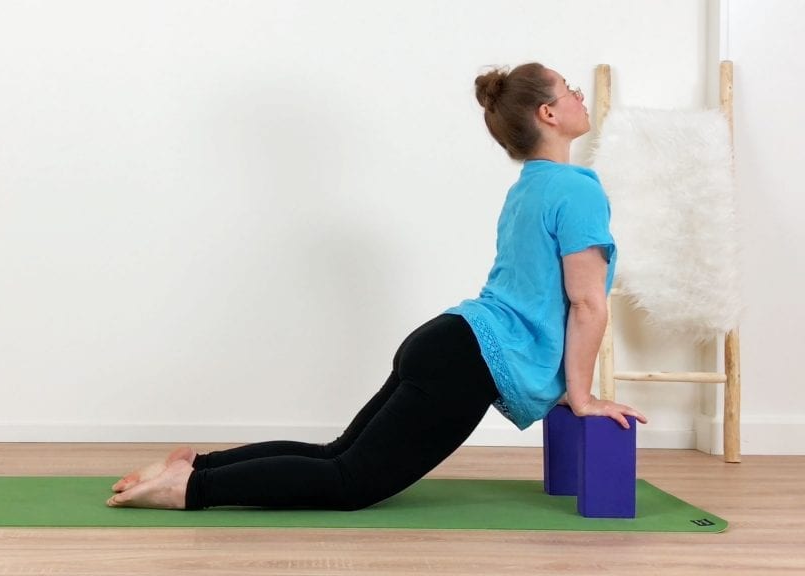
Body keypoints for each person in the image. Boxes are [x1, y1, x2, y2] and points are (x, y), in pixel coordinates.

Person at [107, 62, 648, 511]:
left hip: (450, 342)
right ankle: (190, 489)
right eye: (569, 89)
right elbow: (585, 302)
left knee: (337, 454)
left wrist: (567, 387)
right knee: (350, 482)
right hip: (469, 362)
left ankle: (194, 466)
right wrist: (582, 397)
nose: (580, 95)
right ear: (548, 113)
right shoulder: (577, 191)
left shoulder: (529, 187)